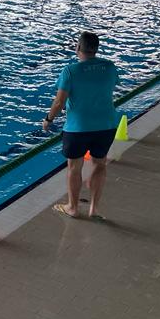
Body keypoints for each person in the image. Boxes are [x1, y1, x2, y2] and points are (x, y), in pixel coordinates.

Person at [43, 31, 119, 220]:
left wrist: (48, 119)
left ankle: (73, 208)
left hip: (78, 127)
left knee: (74, 167)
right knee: (100, 164)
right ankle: (94, 209)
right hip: (106, 125)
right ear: (96, 49)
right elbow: (110, 88)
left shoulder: (70, 71)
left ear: (78, 47)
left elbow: (59, 102)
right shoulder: (109, 67)